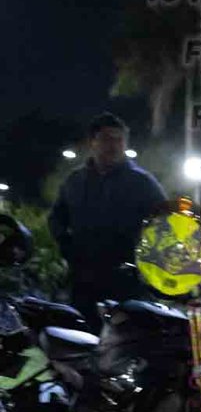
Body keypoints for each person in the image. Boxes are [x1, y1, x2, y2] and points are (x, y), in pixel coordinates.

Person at [48, 112, 167, 330]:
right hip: (84, 281)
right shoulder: (75, 181)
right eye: (106, 139)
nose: (113, 145)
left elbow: (165, 224)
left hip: (128, 283)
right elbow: (57, 218)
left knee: (127, 342)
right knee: (84, 339)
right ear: (92, 142)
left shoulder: (142, 184)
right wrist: (67, 247)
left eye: (118, 140)